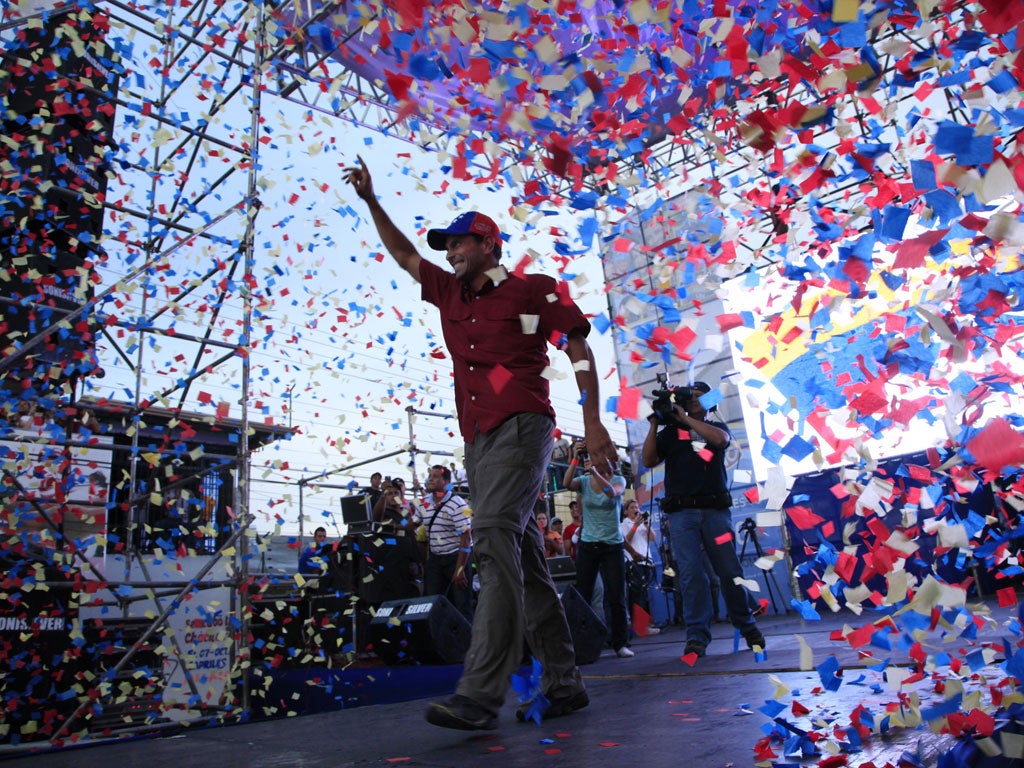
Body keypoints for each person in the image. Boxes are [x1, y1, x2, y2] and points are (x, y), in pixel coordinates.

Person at [345, 157, 617, 730]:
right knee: (522, 558)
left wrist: (592, 424)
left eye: (461, 242)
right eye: (447, 246)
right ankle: (564, 683)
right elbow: (403, 254)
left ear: (490, 245)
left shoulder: (532, 290)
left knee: (492, 536)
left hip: (524, 424)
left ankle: (479, 692)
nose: (450, 252)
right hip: (478, 438)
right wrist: (372, 203)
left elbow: (578, 348)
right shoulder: (449, 294)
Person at [641, 381, 765, 659]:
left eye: (699, 397)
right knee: (691, 576)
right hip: (681, 515)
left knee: (730, 572)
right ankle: (697, 636)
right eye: (690, 397)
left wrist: (684, 418)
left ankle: (748, 626)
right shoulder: (672, 433)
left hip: (714, 512)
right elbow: (648, 460)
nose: (694, 400)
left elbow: (720, 442)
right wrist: (654, 423)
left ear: (710, 402)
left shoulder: (716, 428)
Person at [563, 439, 632, 658]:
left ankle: (620, 643)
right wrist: (574, 458)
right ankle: (581, 642)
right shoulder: (583, 481)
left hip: (612, 545)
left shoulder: (618, 479)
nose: (593, 459)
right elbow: (566, 483)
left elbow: (612, 492)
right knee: (582, 594)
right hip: (589, 545)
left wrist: (594, 472)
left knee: (616, 595)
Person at [420, 464, 474, 620]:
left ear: (446, 482)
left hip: (456, 558)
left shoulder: (459, 504)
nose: (430, 480)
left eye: (435, 477)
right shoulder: (424, 502)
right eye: (429, 476)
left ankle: (468, 642)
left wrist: (459, 570)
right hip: (436, 560)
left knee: (462, 605)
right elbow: (412, 523)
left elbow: (466, 538)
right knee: (432, 604)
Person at [620, 498, 658, 632]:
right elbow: (626, 541)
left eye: (636, 507)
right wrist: (635, 525)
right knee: (637, 594)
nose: (635, 510)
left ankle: (646, 625)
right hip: (633, 562)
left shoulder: (643, 523)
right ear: (625, 511)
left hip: (646, 561)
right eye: (631, 507)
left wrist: (645, 523)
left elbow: (653, 538)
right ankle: (640, 626)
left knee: (645, 593)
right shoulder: (624, 524)